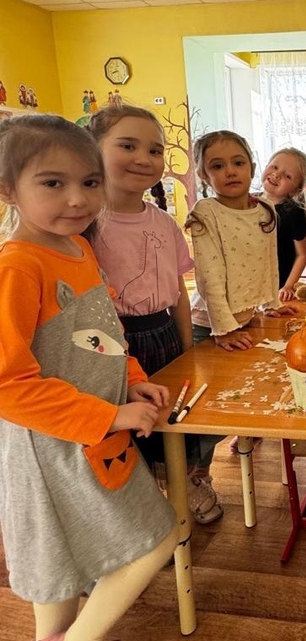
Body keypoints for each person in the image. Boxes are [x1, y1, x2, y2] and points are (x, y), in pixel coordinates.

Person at [0, 114, 178, 641]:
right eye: (53, 183)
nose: (77, 199)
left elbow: (104, 335)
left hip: (94, 434)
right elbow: (6, 384)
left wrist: (133, 381)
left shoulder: (77, 249)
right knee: (156, 540)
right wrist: (107, 415)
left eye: (88, 182)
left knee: (61, 564)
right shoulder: (17, 265)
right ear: (9, 190)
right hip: (52, 447)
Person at [86, 105, 223, 525]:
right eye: (127, 146)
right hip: (110, 344)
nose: (144, 159)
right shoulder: (84, 225)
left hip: (162, 332)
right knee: (129, 433)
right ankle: (140, 509)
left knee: (175, 419)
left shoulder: (164, 223)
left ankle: (186, 484)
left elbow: (178, 292)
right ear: (92, 150)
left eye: (155, 150)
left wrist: (185, 348)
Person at [187, 130, 295, 350]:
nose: (230, 171)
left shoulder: (266, 209)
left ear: (252, 168)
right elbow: (209, 276)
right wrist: (225, 330)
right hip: (209, 326)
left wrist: (271, 303)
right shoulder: (205, 212)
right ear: (203, 175)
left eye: (238, 163)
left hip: (245, 320)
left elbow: (269, 261)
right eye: (218, 166)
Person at [261, 147, 306, 301]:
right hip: (249, 284)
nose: (276, 175)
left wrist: (288, 286)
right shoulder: (248, 203)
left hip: (278, 287)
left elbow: (302, 255)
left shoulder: (294, 213)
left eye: (288, 176)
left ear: (296, 190)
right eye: (274, 167)